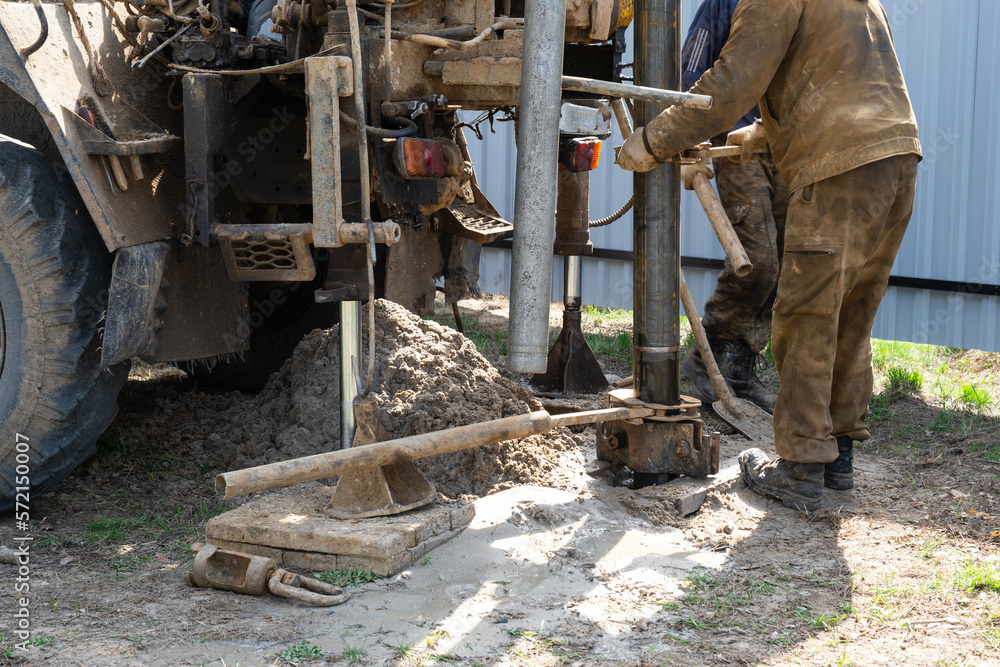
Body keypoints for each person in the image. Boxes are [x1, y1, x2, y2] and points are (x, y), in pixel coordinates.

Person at [617, 0, 921, 511]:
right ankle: (838, 455)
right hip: (895, 158)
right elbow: (832, 76)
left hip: (837, 166)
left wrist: (653, 139)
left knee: (806, 311)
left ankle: (801, 466)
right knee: (849, 311)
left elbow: (732, 82)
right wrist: (758, 134)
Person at [677, 0, 790, 414]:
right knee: (758, 259)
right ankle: (706, 357)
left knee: (784, 263)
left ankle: (739, 369)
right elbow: (692, 71)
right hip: (737, 147)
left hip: (787, 146)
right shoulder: (724, 3)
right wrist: (688, 141)